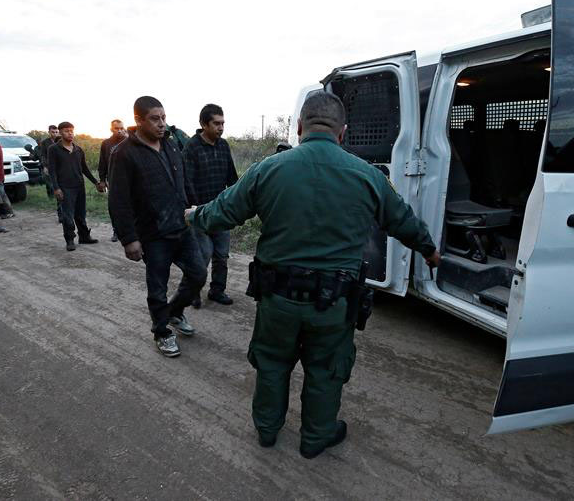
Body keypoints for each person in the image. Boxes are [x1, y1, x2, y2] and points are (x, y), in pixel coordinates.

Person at [187, 92, 441, 458]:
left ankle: (267, 430)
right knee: (326, 370)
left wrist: (192, 215)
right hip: (334, 304)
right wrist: (429, 250)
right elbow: (403, 221)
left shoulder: (268, 169)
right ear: (343, 133)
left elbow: (221, 212)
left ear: (300, 127)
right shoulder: (368, 176)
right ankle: (315, 438)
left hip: (278, 300)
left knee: (272, 363)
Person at [108, 96, 207, 358]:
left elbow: (183, 181)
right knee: (157, 288)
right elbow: (119, 200)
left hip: (181, 226)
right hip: (153, 235)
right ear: (138, 120)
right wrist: (129, 238)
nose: (162, 123)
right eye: (155, 118)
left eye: (163, 117)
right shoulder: (124, 154)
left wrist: (195, 209)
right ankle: (162, 331)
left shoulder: (171, 145)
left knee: (198, 274)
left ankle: (174, 312)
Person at [183, 104, 238, 308]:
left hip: (221, 211)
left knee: (222, 255)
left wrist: (235, 202)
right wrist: (195, 209)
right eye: (216, 123)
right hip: (200, 212)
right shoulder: (192, 147)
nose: (221, 127)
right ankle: (193, 292)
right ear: (203, 124)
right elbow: (186, 181)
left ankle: (217, 290)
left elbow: (232, 178)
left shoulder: (223, 145)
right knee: (202, 256)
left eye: (223, 123)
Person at [48, 121, 101, 251]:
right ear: (60, 132)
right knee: (67, 215)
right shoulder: (54, 149)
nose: (70, 133)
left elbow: (85, 169)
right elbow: (52, 171)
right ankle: (70, 239)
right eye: (66, 131)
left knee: (80, 214)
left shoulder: (78, 150)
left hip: (79, 186)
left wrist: (96, 182)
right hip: (65, 188)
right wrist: (56, 188)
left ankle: (84, 236)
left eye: (71, 130)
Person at [98, 119, 128, 242]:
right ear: (111, 129)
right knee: (115, 207)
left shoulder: (130, 141)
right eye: (116, 128)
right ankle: (117, 230)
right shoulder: (106, 143)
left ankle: (132, 231)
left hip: (130, 180)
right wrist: (102, 180)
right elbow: (102, 163)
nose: (119, 130)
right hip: (113, 180)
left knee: (131, 206)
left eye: (121, 128)